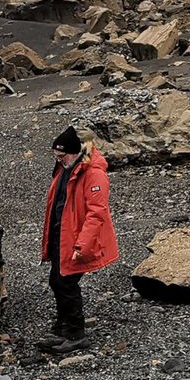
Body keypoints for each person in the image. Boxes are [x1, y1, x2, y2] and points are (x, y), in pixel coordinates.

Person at [38, 126, 119, 354]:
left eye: (62, 155)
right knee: (57, 280)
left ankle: (75, 334)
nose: (58, 159)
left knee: (66, 283)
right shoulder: (66, 167)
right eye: (56, 155)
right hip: (61, 235)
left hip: (77, 239)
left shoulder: (93, 174)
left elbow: (97, 212)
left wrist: (81, 245)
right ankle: (63, 328)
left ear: (75, 152)